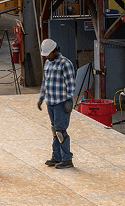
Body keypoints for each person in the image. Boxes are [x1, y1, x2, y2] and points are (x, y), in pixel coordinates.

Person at [38, 38, 76, 169]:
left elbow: (71, 84)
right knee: (54, 130)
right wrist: (41, 97)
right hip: (51, 102)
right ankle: (56, 157)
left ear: (54, 51)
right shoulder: (48, 63)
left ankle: (67, 159)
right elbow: (45, 82)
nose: (46, 57)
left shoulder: (65, 63)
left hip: (61, 103)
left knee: (60, 131)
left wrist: (69, 101)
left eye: (48, 54)